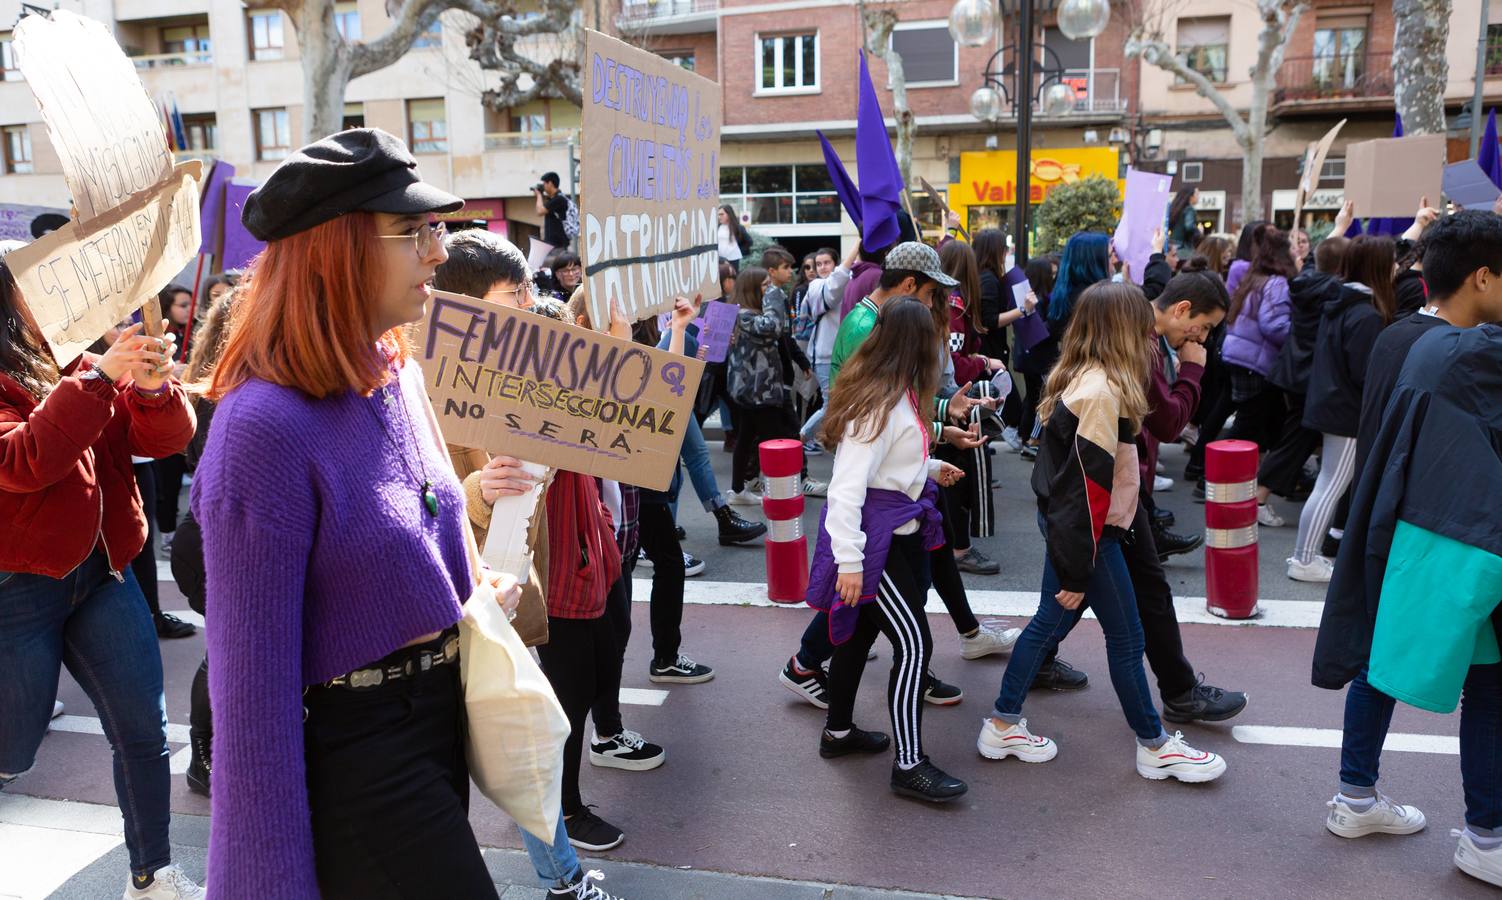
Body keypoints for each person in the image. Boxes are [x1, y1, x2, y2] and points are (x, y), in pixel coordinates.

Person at [192, 128, 523, 896]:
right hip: (357, 757)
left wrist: (468, 597)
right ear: (337, 251)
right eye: (414, 232)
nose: (439, 253)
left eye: (435, 228)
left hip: (437, 726)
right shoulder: (262, 429)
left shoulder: (394, 373)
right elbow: (249, 698)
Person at [0, 244, 203, 899]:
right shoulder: (79, 370)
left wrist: (150, 387)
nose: (66, 292)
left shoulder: (80, 358)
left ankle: (152, 876)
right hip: (18, 589)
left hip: (104, 573)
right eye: (41, 284)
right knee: (13, 752)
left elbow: (165, 440)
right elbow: (25, 461)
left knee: (144, 730)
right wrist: (97, 380)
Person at [976, 282, 1228, 782]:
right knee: (1127, 638)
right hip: (1093, 537)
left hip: (1084, 533)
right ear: (1123, 332)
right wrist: (1077, 568)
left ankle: (1003, 723)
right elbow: (1082, 495)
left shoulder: (1092, 378)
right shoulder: (1101, 391)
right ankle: (1155, 745)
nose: (1150, 340)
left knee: (1049, 625)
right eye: (1142, 329)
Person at [1312, 211, 1502, 866]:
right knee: (1490, 686)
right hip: (1462, 539)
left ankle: (1358, 798)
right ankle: (1486, 835)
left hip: (1411, 530)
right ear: (1482, 277)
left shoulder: (1413, 339)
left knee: (1381, 658)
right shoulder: (1476, 351)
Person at [807, 296, 970, 803]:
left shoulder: (893, 393)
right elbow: (845, 489)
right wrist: (851, 564)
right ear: (917, 344)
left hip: (888, 537)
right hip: (876, 548)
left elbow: (882, 472)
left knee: (855, 639)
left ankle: (838, 734)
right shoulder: (880, 402)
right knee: (916, 645)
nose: (942, 348)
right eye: (936, 338)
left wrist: (927, 470)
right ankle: (909, 764)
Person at [1286, 235, 1396, 584]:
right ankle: (1304, 559)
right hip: (1346, 411)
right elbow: (1364, 373)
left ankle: (1306, 556)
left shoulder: (1340, 301)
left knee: (1328, 482)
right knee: (1331, 485)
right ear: (1377, 267)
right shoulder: (1364, 313)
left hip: (1331, 404)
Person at [170, 283, 242, 797]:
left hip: (209, 536)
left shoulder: (209, 384)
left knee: (229, 648)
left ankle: (217, 754)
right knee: (224, 650)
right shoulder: (231, 390)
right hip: (219, 538)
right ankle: (203, 757)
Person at [1255, 236, 1348, 528]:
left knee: (1297, 437)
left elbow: (1314, 261)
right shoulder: (1334, 291)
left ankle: (1257, 495)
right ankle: (1256, 498)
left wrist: (1340, 228)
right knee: (1297, 439)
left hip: (1294, 371)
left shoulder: (1305, 283)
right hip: (1309, 377)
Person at [1016, 232, 1110, 461]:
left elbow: (1053, 328)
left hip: (1070, 367)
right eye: (1107, 252)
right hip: (1089, 372)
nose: (1112, 255)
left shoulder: (1064, 292)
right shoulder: (1097, 295)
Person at [1220, 227, 1296, 451]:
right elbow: (1273, 324)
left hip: (1240, 355)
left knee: (1257, 418)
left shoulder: (1255, 278)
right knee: (1248, 421)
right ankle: (1210, 474)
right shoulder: (1277, 283)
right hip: (1254, 361)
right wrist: (1298, 333)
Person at [974, 228, 1037, 452]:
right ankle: (989, 443)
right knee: (1006, 405)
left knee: (995, 404)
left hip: (989, 351)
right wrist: (1022, 310)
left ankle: (985, 445)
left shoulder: (983, 277)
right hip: (991, 352)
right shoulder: (988, 280)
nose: (1006, 252)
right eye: (1003, 248)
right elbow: (989, 320)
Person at [535, 171, 571, 250]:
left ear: (550, 183)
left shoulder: (559, 199)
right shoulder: (554, 199)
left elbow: (539, 211)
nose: (543, 186)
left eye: (544, 183)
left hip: (557, 246)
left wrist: (539, 195)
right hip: (554, 245)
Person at [717, 204, 751, 270]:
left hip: (733, 259)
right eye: (718, 214)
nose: (719, 217)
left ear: (729, 214)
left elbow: (749, 241)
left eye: (722, 214)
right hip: (719, 259)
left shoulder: (738, 227)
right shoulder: (717, 227)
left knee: (733, 278)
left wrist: (738, 250)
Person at [1166, 187, 1200, 251]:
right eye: (1197, 194)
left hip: (1172, 244)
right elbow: (1189, 226)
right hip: (1184, 247)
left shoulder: (1176, 209)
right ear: (1191, 196)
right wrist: (1199, 231)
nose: (1199, 197)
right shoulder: (1189, 209)